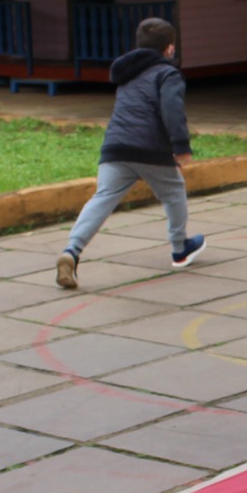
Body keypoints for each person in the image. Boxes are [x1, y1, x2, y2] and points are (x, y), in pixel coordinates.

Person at [56, 17, 204, 289]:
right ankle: (180, 247)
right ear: (170, 49)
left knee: (102, 198)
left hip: (115, 145)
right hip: (150, 147)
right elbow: (171, 109)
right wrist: (181, 146)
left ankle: (72, 251)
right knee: (173, 192)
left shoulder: (127, 73)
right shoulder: (167, 74)